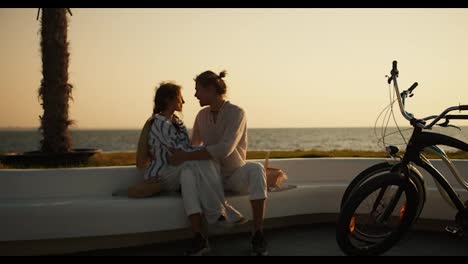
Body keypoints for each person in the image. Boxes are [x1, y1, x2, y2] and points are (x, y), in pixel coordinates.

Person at [137, 82, 245, 256]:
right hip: (163, 175)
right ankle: (219, 210)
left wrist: (202, 152)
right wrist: (207, 151)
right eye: (180, 97)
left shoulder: (176, 123)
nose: (184, 101)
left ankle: (199, 239)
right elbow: (179, 153)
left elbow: (185, 152)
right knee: (199, 160)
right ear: (169, 99)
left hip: (180, 170)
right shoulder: (158, 124)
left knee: (190, 170)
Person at [169, 71, 269, 256]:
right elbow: (192, 145)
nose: (195, 95)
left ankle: (258, 234)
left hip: (234, 175)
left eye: (198, 90)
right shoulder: (201, 115)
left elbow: (225, 149)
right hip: (210, 176)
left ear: (211, 90)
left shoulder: (237, 113)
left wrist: (185, 156)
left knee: (256, 168)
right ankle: (199, 238)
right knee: (188, 174)